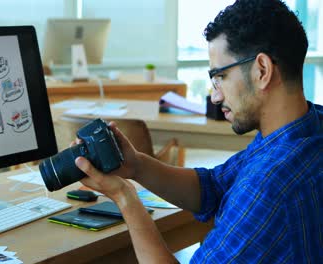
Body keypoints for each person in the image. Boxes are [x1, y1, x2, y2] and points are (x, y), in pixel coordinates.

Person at [72, 0, 322, 263]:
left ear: (262, 70)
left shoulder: (270, 185)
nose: (214, 96)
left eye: (220, 77)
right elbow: (213, 186)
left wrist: (125, 197)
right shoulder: (305, 129)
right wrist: (136, 166)